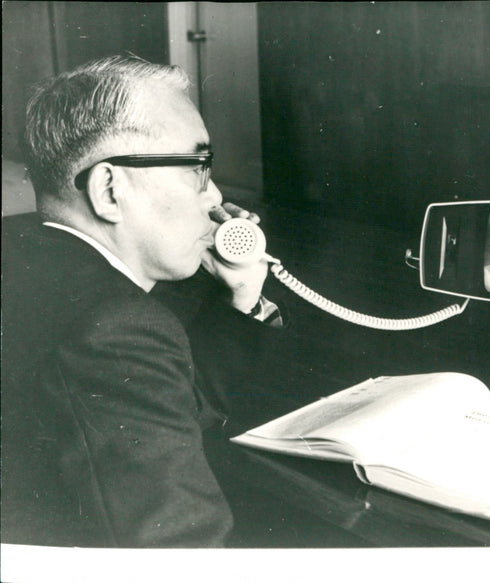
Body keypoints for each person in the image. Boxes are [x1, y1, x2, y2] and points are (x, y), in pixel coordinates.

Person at [1, 55, 284, 547]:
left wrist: (241, 294)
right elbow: (181, 555)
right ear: (110, 190)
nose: (214, 196)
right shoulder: (116, 325)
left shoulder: (20, 250)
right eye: (198, 168)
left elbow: (155, 402)